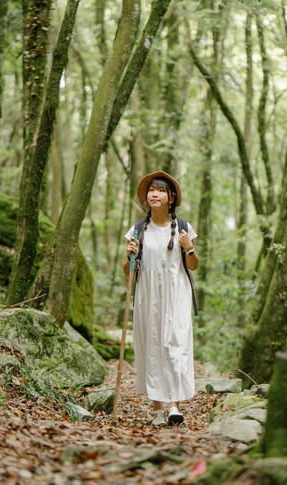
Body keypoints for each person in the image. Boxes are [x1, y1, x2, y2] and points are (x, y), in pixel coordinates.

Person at [123, 171, 199, 426]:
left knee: (174, 343)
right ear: (146, 198)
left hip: (176, 291)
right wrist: (129, 256)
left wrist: (188, 246)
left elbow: (193, 265)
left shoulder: (183, 228)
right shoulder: (137, 230)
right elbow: (129, 270)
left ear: (171, 198)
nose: (154, 194)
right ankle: (157, 409)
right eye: (151, 190)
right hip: (148, 293)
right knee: (152, 344)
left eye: (161, 190)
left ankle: (174, 406)